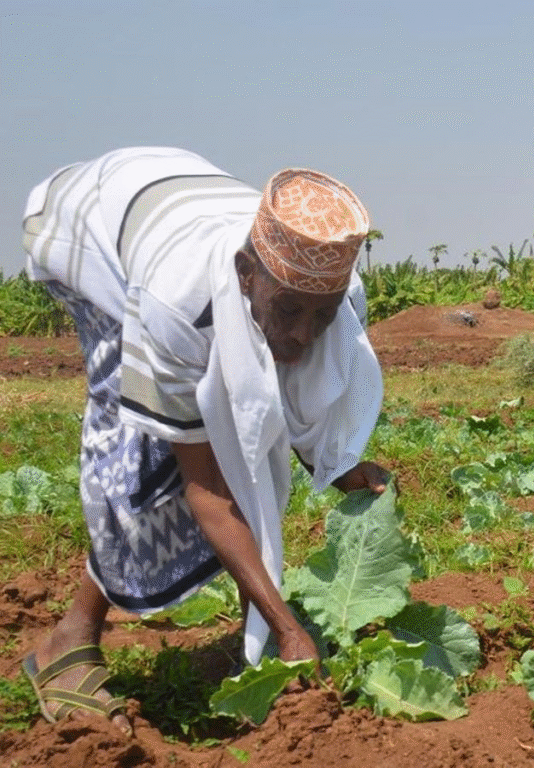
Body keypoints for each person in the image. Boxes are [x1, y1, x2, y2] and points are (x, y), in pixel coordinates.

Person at [20, 147, 389, 735]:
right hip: (86, 230)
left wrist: (337, 463)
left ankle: (257, 644)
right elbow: (211, 494)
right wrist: (289, 628)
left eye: (319, 317)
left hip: (175, 203)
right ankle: (68, 642)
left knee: (239, 432)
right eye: (288, 310)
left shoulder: (333, 295)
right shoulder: (174, 303)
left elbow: (292, 397)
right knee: (143, 457)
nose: (302, 335)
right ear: (246, 274)